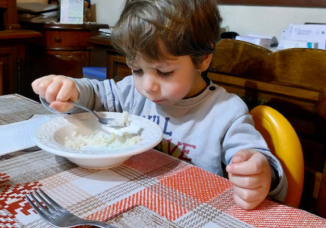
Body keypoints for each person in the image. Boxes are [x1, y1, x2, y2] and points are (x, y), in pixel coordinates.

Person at [32, 0, 287, 210]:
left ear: (203, 59)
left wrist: (260, 173)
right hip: (134, 201)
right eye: (137, 69)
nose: (148, 86)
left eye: (164, 72)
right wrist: (71, 89)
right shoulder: (132, 93)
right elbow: (96, 93)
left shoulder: (226, 112)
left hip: (194, 210)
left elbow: (262, 163)